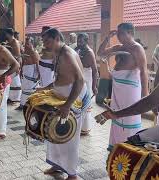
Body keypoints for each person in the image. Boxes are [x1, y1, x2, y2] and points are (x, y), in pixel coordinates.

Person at [99, 14, 159, 155]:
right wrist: (116, 114)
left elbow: (143, 72)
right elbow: (151, 101)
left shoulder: (136, 49)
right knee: (133, 147)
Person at [41, 28, 90, 180]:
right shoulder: (58, 52)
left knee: (69, 136)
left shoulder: (67, 54)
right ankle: (57, 165)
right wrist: (47, 88)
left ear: (57, 38)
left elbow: (80, 81)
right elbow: (61, 76)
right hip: (61, 96)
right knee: (54, 131)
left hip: (72, 99)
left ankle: (72, 174)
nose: (45, 45)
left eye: (47, 41)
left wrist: (68, 105)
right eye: (44, 42)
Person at [97, 23, 148, 149]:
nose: (119, 36)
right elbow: (101, 53)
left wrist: (145, 96)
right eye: (117, 33)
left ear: (130, 32)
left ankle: (129, 149)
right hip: (117, 90)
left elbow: (143, 71)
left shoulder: (137, 48)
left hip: (130, 91)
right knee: (116, 116)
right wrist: (107, 38)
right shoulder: (119, 47)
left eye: (122, 33)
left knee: (129, 118)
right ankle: (116, 147)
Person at [75, 33, 98, 136]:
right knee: (77, 103)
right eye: (78, 41)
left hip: (87, 81)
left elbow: (95, 70)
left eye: (81, 41)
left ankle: (85, 128)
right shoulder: (78, 49)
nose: (78, 43)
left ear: (86, 41)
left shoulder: (89, 53)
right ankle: (77, 126)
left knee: (85, 103)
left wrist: (94, 86)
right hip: (78, 80)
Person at [19, 37, 40, 109]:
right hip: (26, 72)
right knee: (24, 88)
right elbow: (23, 61)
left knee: (30, 89)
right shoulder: (25, 51)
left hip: (32, 73)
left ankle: (30, 105)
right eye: (25, 44)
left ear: (32, 44)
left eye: (28, 44)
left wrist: (39, 75)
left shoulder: (34, 52)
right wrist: (21, 70)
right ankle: (22, 104)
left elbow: (37, 64)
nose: (26, 45)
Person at [4, 28, 22, 103]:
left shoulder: (15, 42)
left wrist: (17, 67)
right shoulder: (10, 42)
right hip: (10, 63)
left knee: (15, 81)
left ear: (8, 34)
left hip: (15, 64)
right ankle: (11, 98)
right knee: (10, 82)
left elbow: (17, 56)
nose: (5, 35)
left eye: (5, 34)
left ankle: (15, 98)